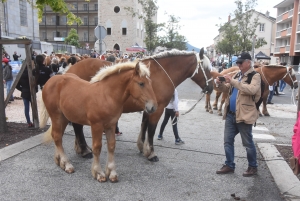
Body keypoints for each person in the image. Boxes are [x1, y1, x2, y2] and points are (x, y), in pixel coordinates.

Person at [215, 52, 261, 177]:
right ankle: (229, 165)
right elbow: (226, 89)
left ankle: (253, 166)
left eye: (241, 62)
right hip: (231, 114)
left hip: (244, 114)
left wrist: (234, 81)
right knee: (227, 141)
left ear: (248, 62)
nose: (238, 64)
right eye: (238, 62)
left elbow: (251, 90)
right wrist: (219, 84)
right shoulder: (237, 75)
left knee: (247, 143)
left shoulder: (255, 76)